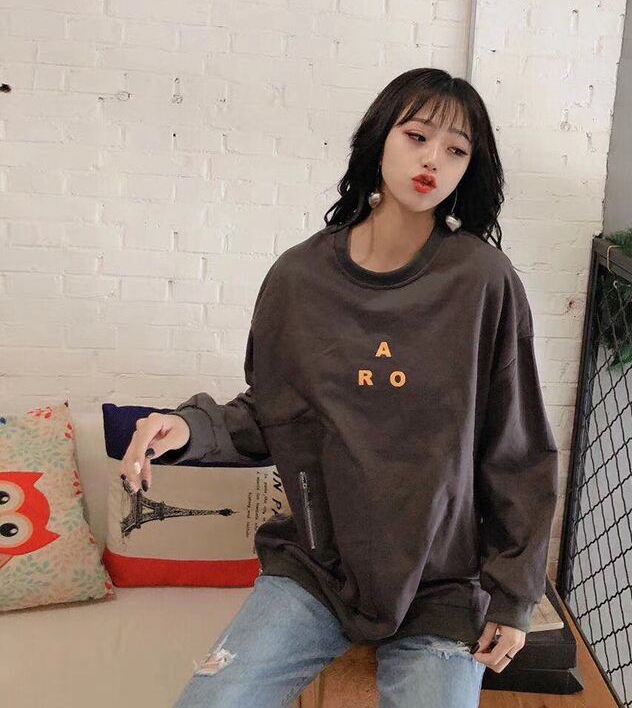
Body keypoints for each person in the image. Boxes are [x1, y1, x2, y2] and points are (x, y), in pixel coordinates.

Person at [119, 67, 559, 708]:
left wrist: (514, 597)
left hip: (441, 584)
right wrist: (188, 427)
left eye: (457, 150)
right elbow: (274, 413)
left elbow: (517, 450)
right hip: (319, 571)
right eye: (417, 136)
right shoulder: (300, 279)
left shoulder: (483, 281)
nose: (432, 160)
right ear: (380, 139)